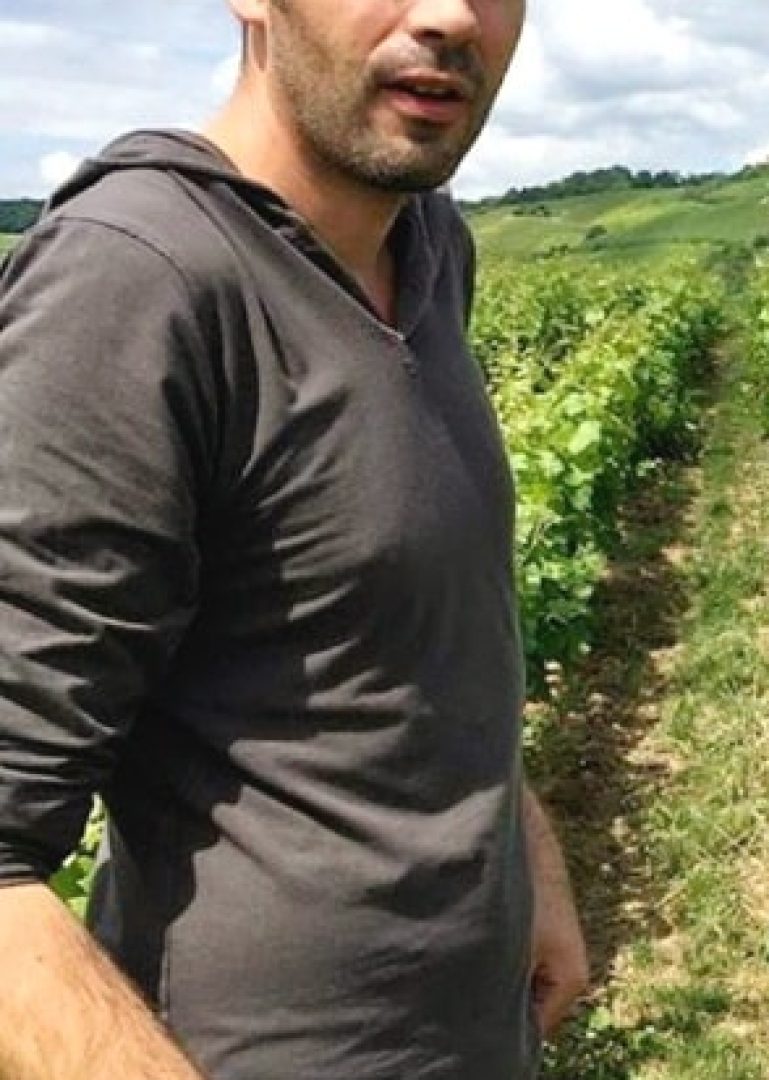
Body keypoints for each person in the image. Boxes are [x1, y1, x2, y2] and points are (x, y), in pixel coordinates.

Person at [0, 1, 587, 1077]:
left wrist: (529, 859)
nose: (454, 16)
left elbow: (407, 633)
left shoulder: (426, 243)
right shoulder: (139, 276)